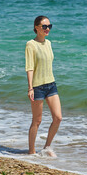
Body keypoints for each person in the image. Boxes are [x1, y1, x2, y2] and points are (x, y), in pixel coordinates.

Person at [25, 16, 62, 157]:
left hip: (51, 84)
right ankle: (31, 151)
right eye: (44, 26)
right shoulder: (30, 44)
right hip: (37, 87)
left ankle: (47, 147)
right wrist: (30, 88)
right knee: (37, 121)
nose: (47, 29)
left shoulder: (49, 43)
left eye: (49, 26)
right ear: (36, 27)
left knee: (58, 118)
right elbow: (29, 67)